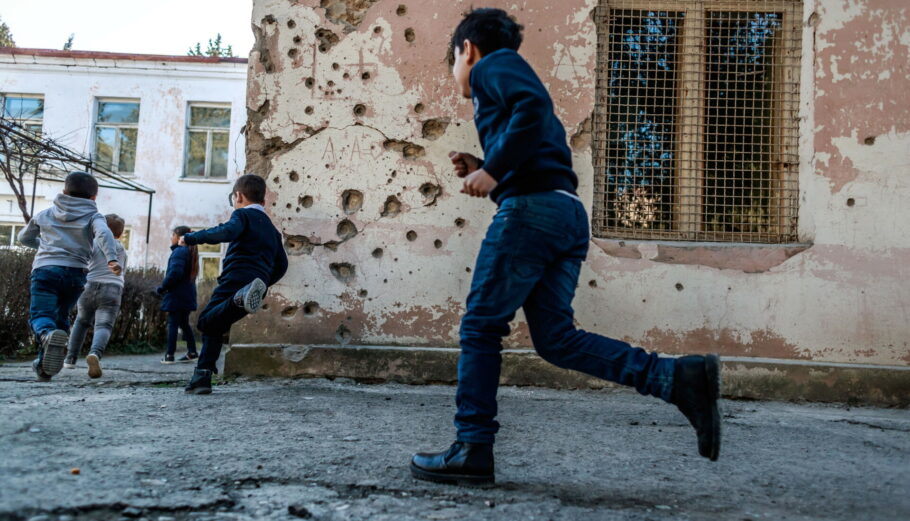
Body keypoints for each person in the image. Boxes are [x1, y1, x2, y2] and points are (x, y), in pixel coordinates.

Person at [409, 9, 721, 486]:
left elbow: (533, 108)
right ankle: (674, 378)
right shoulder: (503, 79)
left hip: (530, 213)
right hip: (564, 213)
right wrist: (486, 163)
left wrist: (492, 172)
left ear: (466, 50)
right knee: (555, 339)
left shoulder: (493, 65)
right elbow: (536, 138)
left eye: (453, 61)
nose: (456, 74)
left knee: (480, 326)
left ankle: (471, 447)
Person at [180, 174, 288, 394]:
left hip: (235, 277)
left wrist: (192, 238)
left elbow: (226, 231)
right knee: (216, 326)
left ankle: (240, 299)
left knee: (205, 321)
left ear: (237, 196)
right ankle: (202, 378)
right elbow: (282, 264)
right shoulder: (272, 231)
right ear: (264, 202)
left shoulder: (242, 215)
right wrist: (264, 282)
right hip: (257, 281)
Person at [17, 172, 122, 382]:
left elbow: (23, 237)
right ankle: (44, 368)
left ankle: (47, 335)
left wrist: (44, 246)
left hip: (45, 270)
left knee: (41, 315)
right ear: (94, 197)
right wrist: (111, 258)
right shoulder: (94, 216)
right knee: (60, 316)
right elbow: (104, 234)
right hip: (76, 273)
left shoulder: (45, 214)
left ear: (64, 191)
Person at [63, 214, 128, 378]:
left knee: (81, 321)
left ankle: (70, 359)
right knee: (104, 326)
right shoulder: (121, 249)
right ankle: (95, 354)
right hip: (112, 289)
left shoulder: (93, 244)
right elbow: (122, 271)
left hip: (88, 286)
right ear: (120, 234)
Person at [156, 225, 199, 364]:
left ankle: (169, 355)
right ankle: (192, 352)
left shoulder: (180, 252)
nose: (171, 237)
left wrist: (162, 287)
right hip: (186, 294)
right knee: (184, 323)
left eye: (173, 235)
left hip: (177, 294)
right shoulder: (189, 252)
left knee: (173, 323)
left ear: (179, 237)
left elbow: (175, 273)